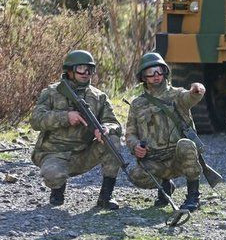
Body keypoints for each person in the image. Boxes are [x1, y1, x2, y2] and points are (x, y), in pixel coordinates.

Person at [30, 50, 122, 209]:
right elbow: (36, 120)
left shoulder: (98, 96)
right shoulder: (51, 92)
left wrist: (106, 129)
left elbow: (114, 123)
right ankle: (58, 190)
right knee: (53, 175)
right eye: (81, 68)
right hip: (53, 153)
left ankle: (106, 197)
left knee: (112, 140)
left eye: (90, 69)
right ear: (70, 70)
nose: (86, 73)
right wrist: (65, 117)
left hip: (82, 154)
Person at [125, 52, 206, 212]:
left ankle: (193, 196)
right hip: (155, 161)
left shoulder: (177, 95)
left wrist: (197, 89)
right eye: (150, 72)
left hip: (178, 158)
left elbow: (190, 97)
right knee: (134, 174)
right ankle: (165, 187)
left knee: (186, 145)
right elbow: (130, 134)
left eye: (159, 71)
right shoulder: (137, 104)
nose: (156, 76)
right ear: (143, 76)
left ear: (165, 72)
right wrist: (135, 147)